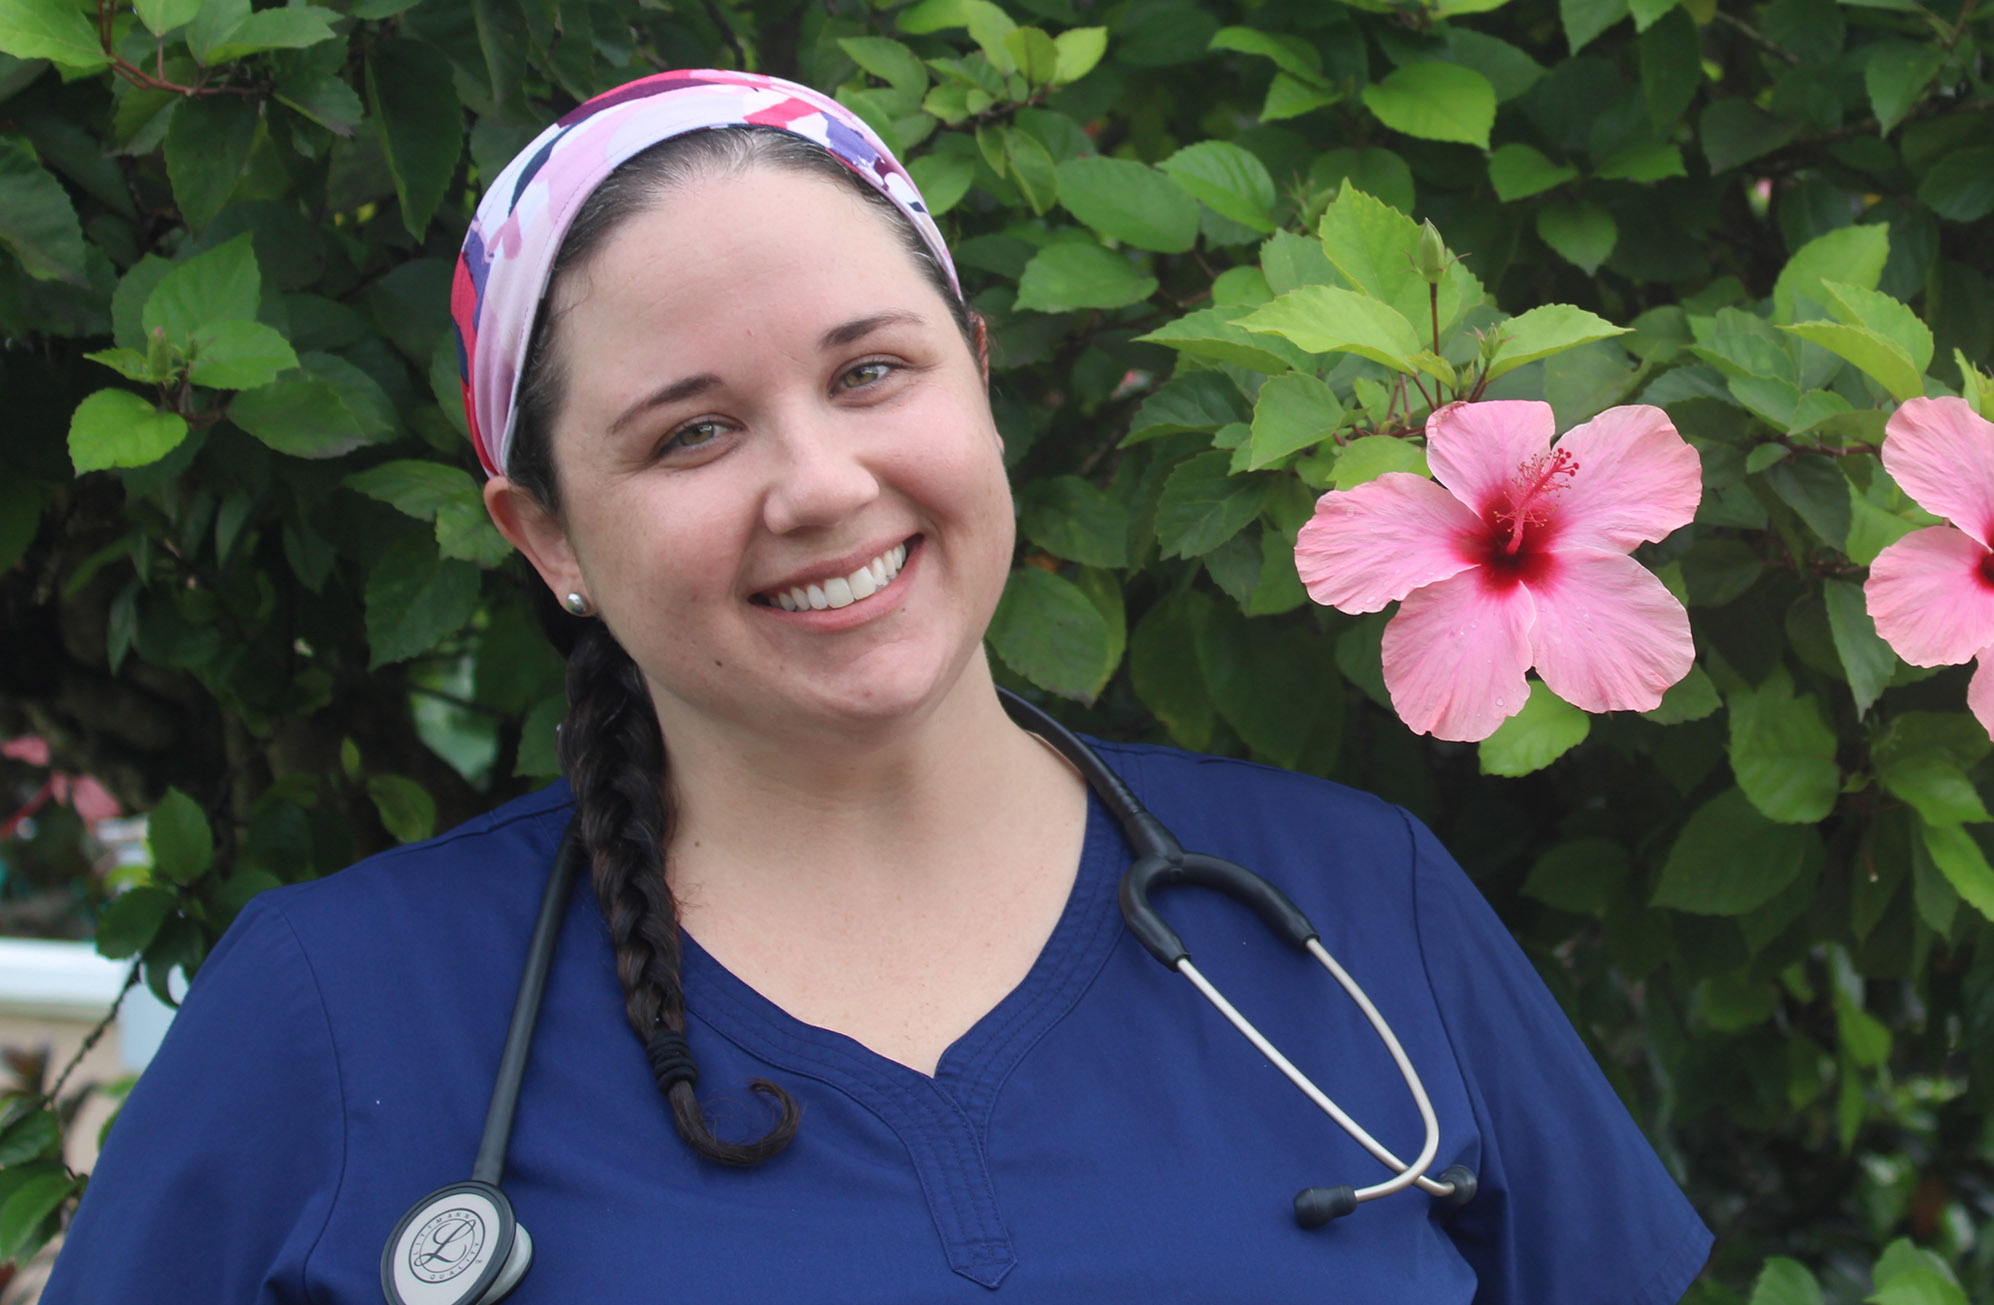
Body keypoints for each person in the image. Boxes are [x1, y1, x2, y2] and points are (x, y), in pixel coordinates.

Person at [44, 71, 1712, 1303]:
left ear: (976, 382)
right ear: (543, 532)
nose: (820, 482)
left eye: (870, 371)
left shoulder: (1354, 905)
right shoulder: (340, 1014)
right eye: (691, 429)